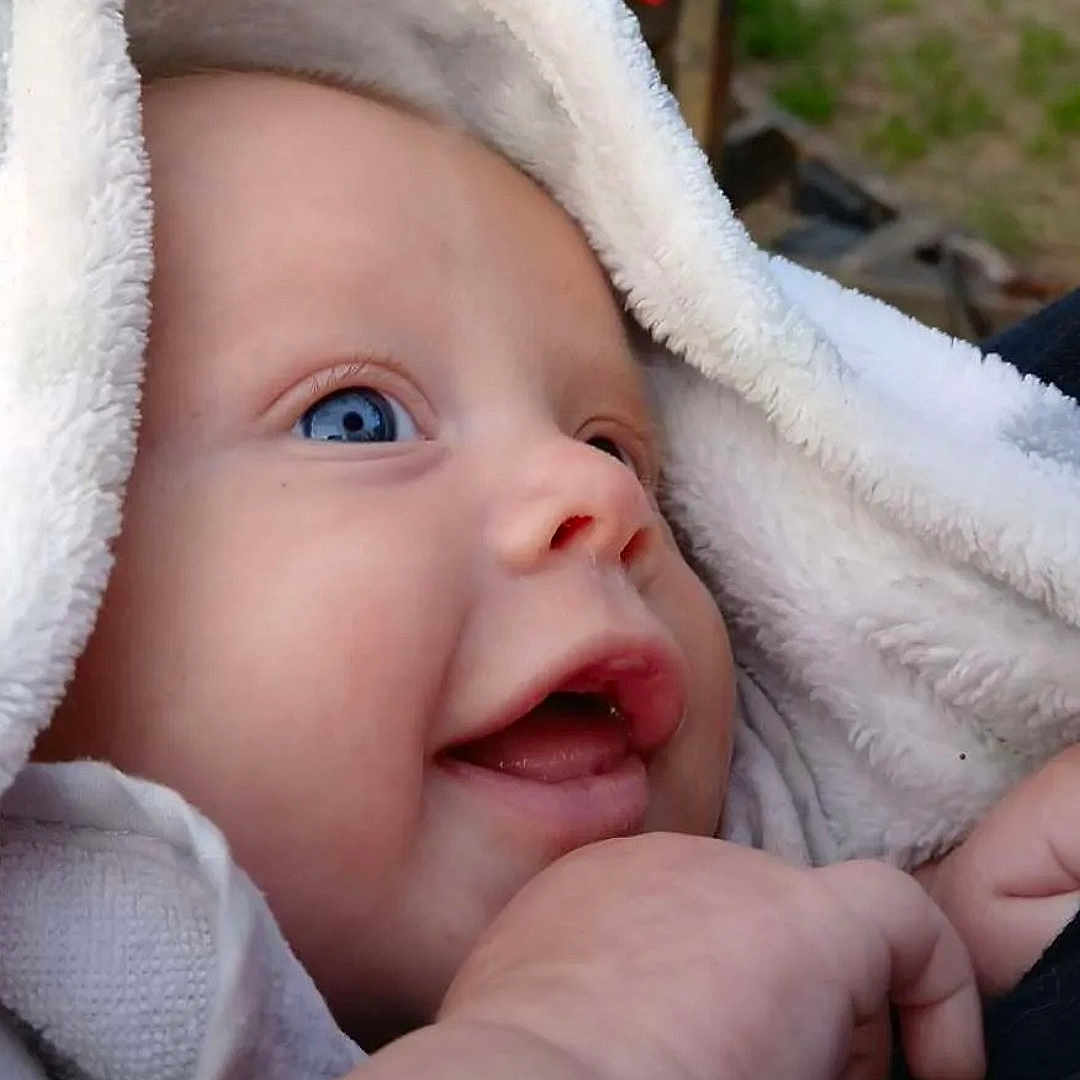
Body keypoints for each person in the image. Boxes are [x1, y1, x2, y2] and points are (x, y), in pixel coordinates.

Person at [4, 3, 1079, 1078]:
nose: (598, 494)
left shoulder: (754, 839)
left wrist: (923, 939)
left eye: (615, 446)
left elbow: (726, 969)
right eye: (357, 419)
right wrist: (561, 1043)